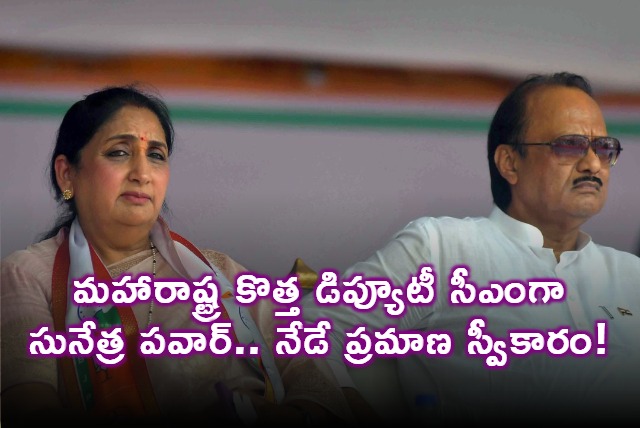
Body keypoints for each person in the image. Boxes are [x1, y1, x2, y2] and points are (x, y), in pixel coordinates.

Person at [0, 85, 361, 427]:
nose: (142, 173)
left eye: (156, 156)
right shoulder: (27, 274)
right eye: (119, 152)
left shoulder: (221, 273)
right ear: (67, 174)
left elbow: (318, 383)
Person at [303, 72, 640, 426]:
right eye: (569, 145)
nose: (593, 163)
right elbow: (312, 332)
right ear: (510, 163)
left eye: (604, 148)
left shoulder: (631, 275)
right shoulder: (443, 249)